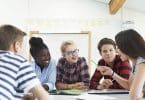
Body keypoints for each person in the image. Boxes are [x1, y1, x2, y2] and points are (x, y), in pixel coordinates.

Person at [0, 24, 49, 100]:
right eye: (21, 46)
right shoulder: (18, 61)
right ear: (16, 45)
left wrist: (19, 97)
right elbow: (43, 97)